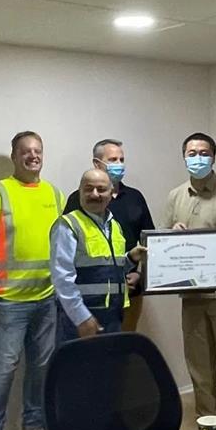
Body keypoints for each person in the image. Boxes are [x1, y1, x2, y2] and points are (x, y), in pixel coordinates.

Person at [0, 131, 65, 430]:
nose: (33, 156)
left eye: (38, 150)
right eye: (26, 151)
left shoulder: (55, 194)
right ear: (14, 156)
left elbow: (64, 243)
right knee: (4, 371)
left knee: (41, 369)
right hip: (9, 301)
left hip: (47, 298)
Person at [161, 132, 216, 430]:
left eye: (204, 153)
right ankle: (207, 426)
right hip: (191, 296)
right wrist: (173, 235)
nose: (197, 158)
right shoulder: (175, 196)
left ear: (213, 157)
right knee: (199, 367)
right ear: (183, 157)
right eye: (192, 153)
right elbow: (162, 245)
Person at [63, 139, 154, 332]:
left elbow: (150, 242)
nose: (119, 164)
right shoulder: (78, 199)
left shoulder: (135, 198)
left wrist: (139, 274)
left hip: (130, 292)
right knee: (89, 347)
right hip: (91, 298)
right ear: (97, 164)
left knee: (124, 345)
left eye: (122, 159)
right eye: (113, 160)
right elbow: (66, 258)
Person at [50, 169, 146, 339]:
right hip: (80, 318)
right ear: (80, 191)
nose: (94, 194)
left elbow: (107, 268)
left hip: (113, 315)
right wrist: (81, 317)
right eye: (88, 189)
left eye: (101, 189)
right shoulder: (68, 225)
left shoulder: (114, 226)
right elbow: (61, 278)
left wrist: (130, 258)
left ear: (111, 193)